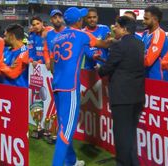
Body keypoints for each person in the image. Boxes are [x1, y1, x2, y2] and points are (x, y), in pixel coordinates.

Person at [51, 7, 111, 166]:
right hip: (69, 87)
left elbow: (52, 64)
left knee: (63, 126)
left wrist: (94, 55)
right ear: (79, 21)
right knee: (66, 132)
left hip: (56, 85)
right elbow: (103, 44)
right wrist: (113, 40)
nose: (84, 20)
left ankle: (71, 161)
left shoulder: (57, 37)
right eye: (83, 18)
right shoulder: (82, 34)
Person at [97, 16, 145, 166]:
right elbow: (125, 65)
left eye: (116, 26)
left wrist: (100, 69)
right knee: (130, 135)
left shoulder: (119, 46)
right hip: (137, 97)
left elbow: (107, 68)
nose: (114, 29)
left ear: (124, 29)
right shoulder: (140, 43)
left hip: (122, 98)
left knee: (121, 137)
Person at [142, 6, 168, 80]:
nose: (143, 21)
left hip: (155, 78)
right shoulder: (145, 33)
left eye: (146, 19)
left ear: (155, 20)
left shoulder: (159, 34)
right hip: (145, 76)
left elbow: (148, 61)